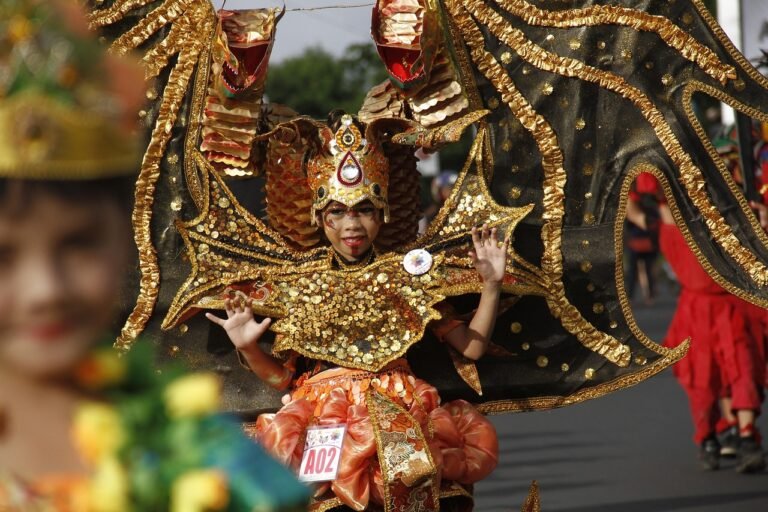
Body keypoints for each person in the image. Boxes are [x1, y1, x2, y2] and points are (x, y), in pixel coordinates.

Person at [206, 113, 500, 512]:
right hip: (320, 422)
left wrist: (491, 285)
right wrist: (248, 346)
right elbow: (283, 378)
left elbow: (471, 349)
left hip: (400, 415)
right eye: (337, 213)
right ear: (319, 216)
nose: (352, 225)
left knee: (414, 491)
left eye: (363, 210)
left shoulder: (410, 276)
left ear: (383, 212)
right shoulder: (298, 284)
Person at [626, 171, 767, 473]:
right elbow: (644, 203)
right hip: (698, 310)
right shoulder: (670, 225)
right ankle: (711, 437)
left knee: (741, 370)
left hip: (732, 306)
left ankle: (744, 437)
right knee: (703, 381)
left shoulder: (726, 223)